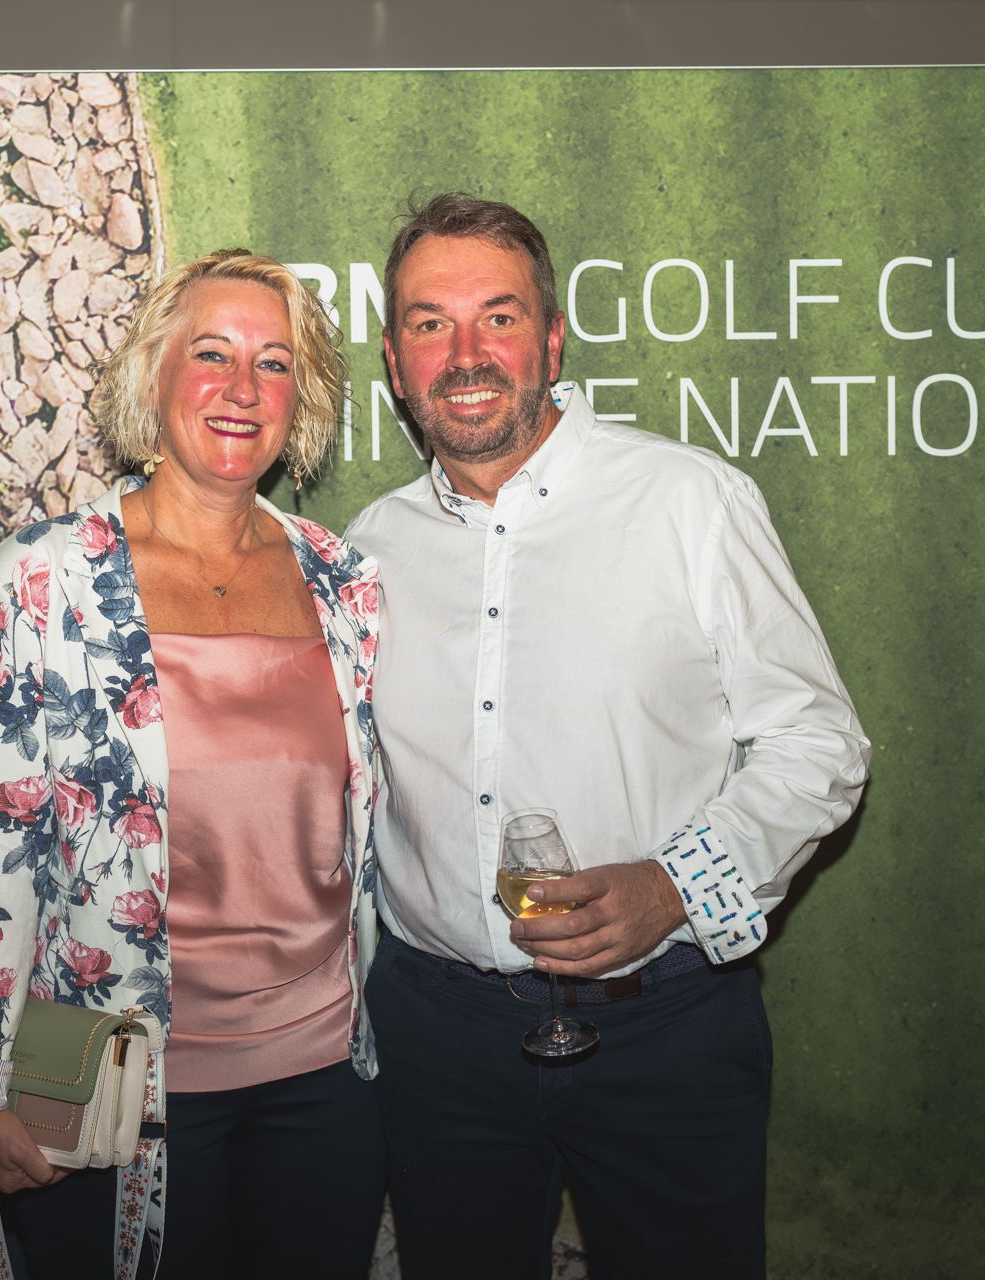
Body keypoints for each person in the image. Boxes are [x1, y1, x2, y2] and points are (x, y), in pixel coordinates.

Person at [346, 193, 871, 1278]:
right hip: (440, 1041)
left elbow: (820, 742)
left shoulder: (688, 500)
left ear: (551, 338)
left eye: (498, 316)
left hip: (664, 1031)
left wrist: (678, 885)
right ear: (395, 363)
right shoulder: (371, 548)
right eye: (431, 323)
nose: (465, 353)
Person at [0, 249, 386, 1280]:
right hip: (112, 1083)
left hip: (323, 1084)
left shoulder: (345, 582)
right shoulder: (42, 578)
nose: (241, 387)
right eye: (211, 353)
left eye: (273, 363)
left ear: (302, 398)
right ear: (154, 373)